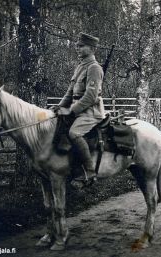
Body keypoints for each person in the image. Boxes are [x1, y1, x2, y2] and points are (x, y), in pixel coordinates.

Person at [51, 32, 105, 185]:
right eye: (77, 46)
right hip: (78, 108)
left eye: (82, 46)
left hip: (91, 111)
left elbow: (91, 96)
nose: (77, 48)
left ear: (92, 49)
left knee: (74, 133)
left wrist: (72, 111)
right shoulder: (80, 67)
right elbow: (70, 92)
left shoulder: (94, 68)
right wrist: (60, 106)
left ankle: (89, 171)